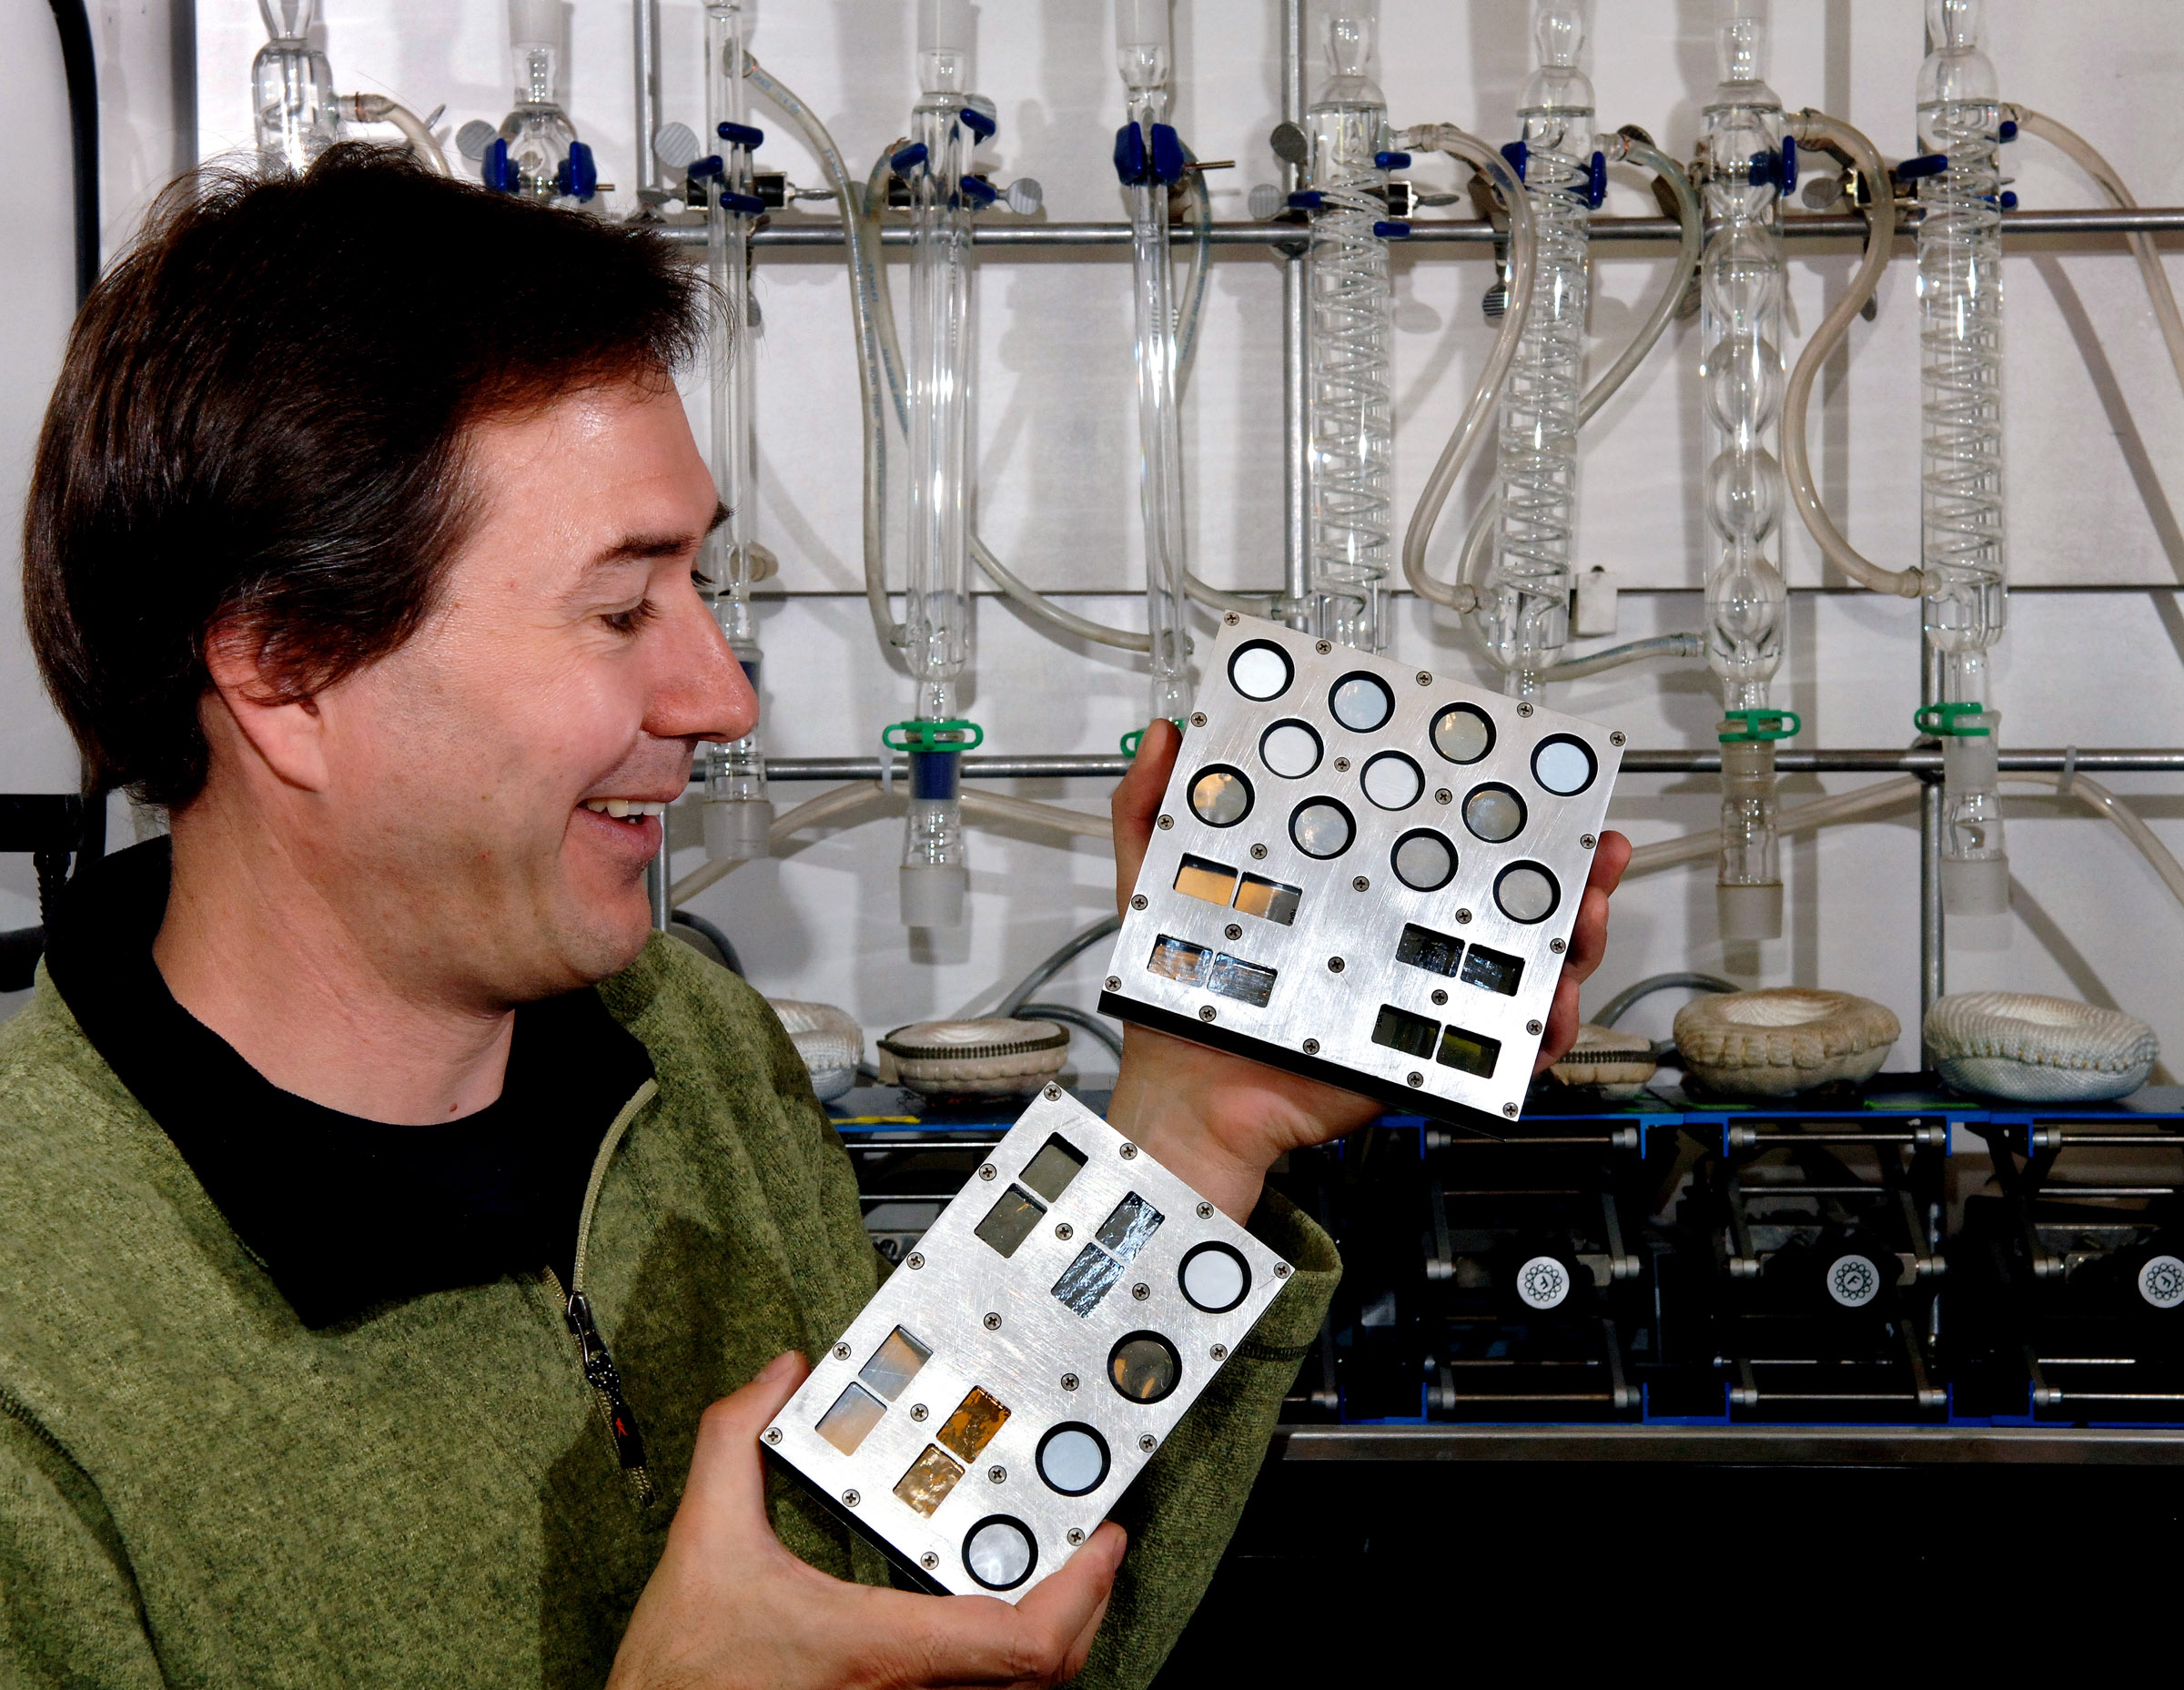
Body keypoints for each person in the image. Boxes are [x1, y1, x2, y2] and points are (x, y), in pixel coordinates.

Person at [1, 148, 1628, 1688]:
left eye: (707, 592)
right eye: (624, 606)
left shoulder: (682, 1049)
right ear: (284, 665)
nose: (721, 690)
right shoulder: (39, 1347)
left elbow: (950, 1618)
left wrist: (1199, 1124)